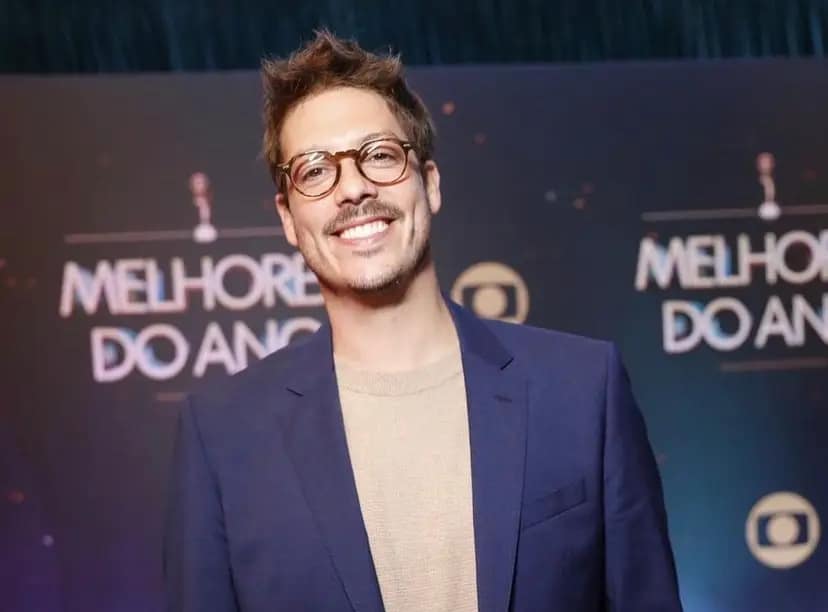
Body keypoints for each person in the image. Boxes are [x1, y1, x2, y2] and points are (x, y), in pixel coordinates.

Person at [163, 30, 682, 612]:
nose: (353, 188)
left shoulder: (582, 390)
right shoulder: (224, 436)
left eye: (379, 155)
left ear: (429, 183)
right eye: (314, 171)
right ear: (288, 217)